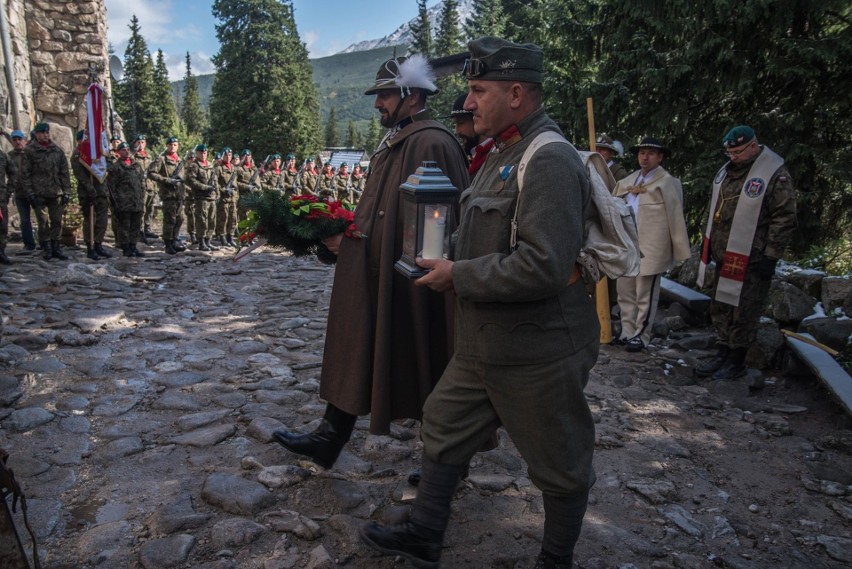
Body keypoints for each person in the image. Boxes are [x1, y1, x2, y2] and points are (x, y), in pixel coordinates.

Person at [359, 37, 598, 569]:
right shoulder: (504, 151)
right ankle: (425, 532)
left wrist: (457, 274)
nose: (467, 103)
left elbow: (545, 265)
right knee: (442, 422)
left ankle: (555, 559)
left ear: (516, 93)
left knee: (560, 461)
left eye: (476, 90)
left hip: (538, 348)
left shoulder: (550, 158)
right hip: (485, 341)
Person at [272, 54, 469, 470]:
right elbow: (382, 210)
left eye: (383, 95)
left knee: (428, 363)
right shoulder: (401, 138)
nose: (377, 104)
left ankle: (447, 463)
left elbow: (436, 225)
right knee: (361, 347)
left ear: (411, 96)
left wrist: (358, 244)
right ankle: (330, 437)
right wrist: (343, 232)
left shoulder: (431, 141)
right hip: (380, 271)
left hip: (413, 280)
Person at [696, 125, 797, 380]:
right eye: (730, 153)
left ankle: (737, 358)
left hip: (753, 256)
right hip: (725, 252)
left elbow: (784, 217)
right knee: (721, 305)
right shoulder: (728, 171)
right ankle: (722, 350)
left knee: (744, 308)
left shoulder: (774, 173)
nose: (733, 157)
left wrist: (771, 255)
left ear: (753, 145)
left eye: (738, 152)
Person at [612, 137, 690, 352]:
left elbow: (675, 217)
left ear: (660, 157)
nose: (645, 157)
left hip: (651, 245)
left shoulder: (667, 183)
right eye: (641, 153)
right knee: (625, 290)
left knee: (644, 293)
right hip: (627, 244)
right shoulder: (628, 182)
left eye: (650, 153)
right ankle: (627, 330)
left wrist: (678, 249)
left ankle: (641, 334)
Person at [22, 122, 72, 261]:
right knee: (43, 222)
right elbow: (25, 174)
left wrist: (67, 191)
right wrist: (30, 193)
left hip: (56, 192)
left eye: (47, 132)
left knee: (57, 221)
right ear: (36, 134)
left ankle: (56, 246)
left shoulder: (57, 150)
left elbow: (64, 173)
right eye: (42, 132)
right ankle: (47, 247)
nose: (45, 135)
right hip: (39, 192)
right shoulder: (30, 151)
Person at [70, 130, 111, 260]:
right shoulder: (77, 156)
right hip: (87, 193)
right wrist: (90, 189)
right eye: (84, 139)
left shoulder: (96, 154)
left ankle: (98, 244)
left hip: (101, 191)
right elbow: (80, 176)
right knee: (90, 220)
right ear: (79, 141)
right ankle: (90, 246)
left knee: (102, 220)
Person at [148, 136, 187, 255]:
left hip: (179, 194)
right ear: (167, 145)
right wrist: (167, 180)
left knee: (180, 219)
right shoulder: (162, 159)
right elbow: (151, 173)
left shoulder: (179, 160)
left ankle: (174, 240)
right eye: (171, 145)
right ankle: (168, 243)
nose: (173, 147)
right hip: (168, 194)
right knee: (170, 220)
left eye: (175, 145)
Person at [107, 141, 146, 257]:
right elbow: (112, 187)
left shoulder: (136, 165)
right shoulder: (116, 167)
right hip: (124, 203)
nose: (126, 152)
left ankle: (133, 246)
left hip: (136, 201)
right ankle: (126, 247)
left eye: (127, 149)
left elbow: (141, 182)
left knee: (136, 226)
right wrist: (115, 203)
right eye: (123, 150)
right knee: (124, 226)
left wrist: (141, 196)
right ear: (118, 153)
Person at [448, 91, 491, 177]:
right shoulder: (465, 154)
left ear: (476, 119)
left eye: (461, 123)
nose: (457, 131)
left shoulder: (493, 152)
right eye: (455, 124)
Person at [186, 144, 219, 252]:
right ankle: (201, 242)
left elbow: (214, 180)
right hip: (201, 197)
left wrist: (216, 192)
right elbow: (191, 181)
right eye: (201, 152)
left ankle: (208, 240)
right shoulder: (194, 166)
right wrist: (205, 187)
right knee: (202, 220)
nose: (203, 154)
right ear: (197, 153)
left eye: (205, 152)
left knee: (212, 220)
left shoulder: (210, 164)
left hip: (211, 197)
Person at [9, 130, 36, 251]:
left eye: (19, 139)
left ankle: (45, 244)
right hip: (20, 193)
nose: (17, 142)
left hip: (35, 191)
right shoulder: (9, 156)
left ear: (24, 140)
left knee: (43, 219)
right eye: (14, 140)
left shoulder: (31, 153)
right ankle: (29, 244)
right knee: (25, 220)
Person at [133, 134, 159, 243]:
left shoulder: (148, 156)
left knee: (150, 208)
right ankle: (140, 231)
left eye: (143, 142)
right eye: (138, 142)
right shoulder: (133, 156)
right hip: (139, 186)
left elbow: (152, 171)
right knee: (141, 209)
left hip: (150, 185)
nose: (141, 144)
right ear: (135, 143)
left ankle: (147, 227)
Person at [214, 147, 239, 248]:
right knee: (223, 218)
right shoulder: (219, 168)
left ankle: (230, 236)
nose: (228, 157)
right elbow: (215, 183)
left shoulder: (233, 168)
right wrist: (224, 190)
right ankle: (222, 236)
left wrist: (235, 194)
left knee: (233, 218)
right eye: (226, 155)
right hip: (223, 198)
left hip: (232, 198)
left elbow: (235, 183)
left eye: (230, 155)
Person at [0, 140, 16, 264]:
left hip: (1, 197)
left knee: (2, 225)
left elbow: (13, 173)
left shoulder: (3, 155)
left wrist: (8, 190)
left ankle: (1, 251)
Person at [235, 149, 260, 223]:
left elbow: (258, 182)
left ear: (251, 156)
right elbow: (235, 183)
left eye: (248, 155)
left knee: (254, 218)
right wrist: (247, 186)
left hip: (254, 196)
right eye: (244, 155)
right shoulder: (239, 169)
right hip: (244, 196)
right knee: (244, 219)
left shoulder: (254, 169)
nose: (246, 157)